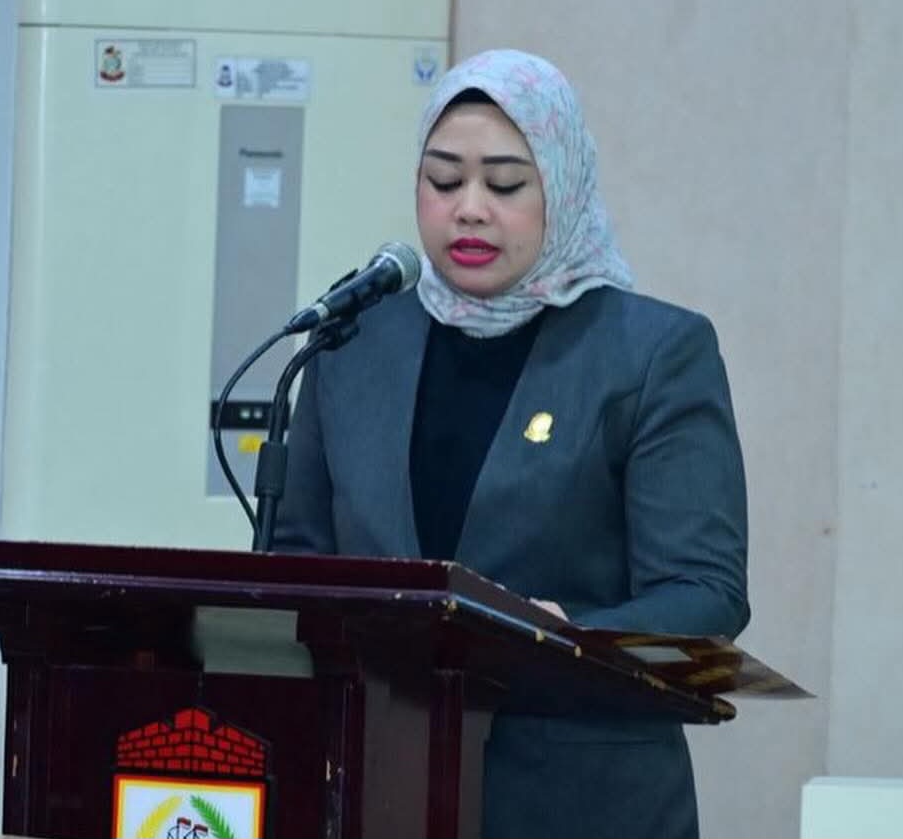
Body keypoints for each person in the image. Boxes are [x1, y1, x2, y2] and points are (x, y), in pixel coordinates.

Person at [275, 48, 749, 839]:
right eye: (443, 180)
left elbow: (705, 595)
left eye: (503, 185)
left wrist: (562, 634)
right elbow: (298, 561)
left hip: (581, 798)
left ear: (561, 187)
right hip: (375, 786)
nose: (469, 209)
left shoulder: (650, 353)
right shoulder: (352, 343)